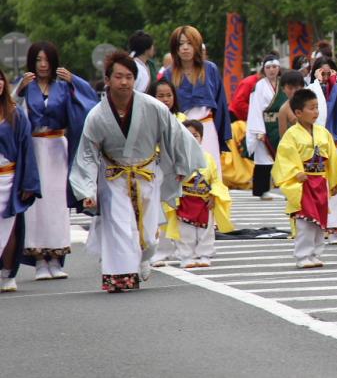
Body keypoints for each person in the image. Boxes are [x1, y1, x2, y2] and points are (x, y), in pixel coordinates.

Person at [70, 51, 205, 292]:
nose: (124, 82)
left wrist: (181, 166)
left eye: (129, 77)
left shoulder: (153, 107)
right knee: (119, 226)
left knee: (149, 237)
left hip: (146, 173)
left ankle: (144, 258)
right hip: (114, 176)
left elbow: (175, 135)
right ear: (108, 79)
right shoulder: (96, 116)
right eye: (119, 77)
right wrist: (87, 188)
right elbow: (88, 154)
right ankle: (119, 276)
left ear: (135, 79)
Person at [15, 41, 97, 280]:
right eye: (38, 60)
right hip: (35, 148)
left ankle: (57, 258)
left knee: (57, 204)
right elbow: (10, 110)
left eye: (46, 60)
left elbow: (91, 102)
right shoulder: (26, 85)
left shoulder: (63, 86)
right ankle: (40, 258)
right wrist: (19, 88)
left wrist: (75, 80)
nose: (42, 65)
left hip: (57, 148)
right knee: (37, 206)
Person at [272, 89, 337, 269]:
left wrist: (334, 181)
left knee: (320, 221)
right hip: (303, 183)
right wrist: (296, 172)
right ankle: (303, 255)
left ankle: (315, 253)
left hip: (320, 181)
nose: (316, 112)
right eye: (311, 108)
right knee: (305, 221)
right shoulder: (291, 134)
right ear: (298, 113)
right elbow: (285, 156)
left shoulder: (323, 133)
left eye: (317, 108)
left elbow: (332, 157)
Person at [165, 120, 234, 268]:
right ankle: (186, 256)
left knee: (206, 231)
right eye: (188, 135)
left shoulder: (208, 158)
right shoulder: (176, 157)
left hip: (204, 200)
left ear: (201, 138)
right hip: (184, 199)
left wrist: (213, 195)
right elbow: (170, 179)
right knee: (185, 231)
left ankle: (204, 254)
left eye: (195, 135)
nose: (192, 138)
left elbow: (215, 179)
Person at [165, 25, 232, 177]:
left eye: (189, 43)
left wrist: (224, 133)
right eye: (180, 44)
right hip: (181, 129)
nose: (185, 48)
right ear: (175, 48)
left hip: (206, 128)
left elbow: (221, 104)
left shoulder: (210, 69)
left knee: (209, 171)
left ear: (196, 45)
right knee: (183, 175)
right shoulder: (169, 74)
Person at [0, 67, 40, 292]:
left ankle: (8, 273)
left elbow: (27, 149)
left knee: (12, 227)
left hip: (9, 178)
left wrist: (28, 183)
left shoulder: (15, 113)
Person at [309, 57, 337, 242]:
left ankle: (334, 229)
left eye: (329, 72)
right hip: (317, 144)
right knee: (318, 186)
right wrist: (317, 84)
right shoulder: (310, 90)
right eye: (322, 71)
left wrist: (334, 85)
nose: (326, 76)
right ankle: (318, 226)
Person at [149, 78, 186, 267]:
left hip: (178, 172)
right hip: (154, 171)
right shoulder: (148, 119)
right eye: (160, 95)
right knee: (160, 210)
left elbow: (188, 148)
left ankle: (183, 248)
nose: (165, 99)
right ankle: (161, 249)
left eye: (169, 95)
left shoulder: (181, 119)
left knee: (182, 211)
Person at [246, 55, 284, 200]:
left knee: (283, 157)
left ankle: (287, 187)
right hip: (264, 125)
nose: (271, 70)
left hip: (280, 125)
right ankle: (262, 189)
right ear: (264, 69)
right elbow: (255, 108)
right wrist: (259, 130)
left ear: (278, 68)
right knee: (264, 159)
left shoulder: (283, 84)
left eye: (274, 67)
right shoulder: (260, 86)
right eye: (268, 67)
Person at [278, 70, 308, 137]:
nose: (294, 91)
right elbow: (283, 137)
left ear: (302, 87)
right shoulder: (284, 110)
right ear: (283, 89)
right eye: (290, 88)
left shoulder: (310, 102)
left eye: (297, 88)